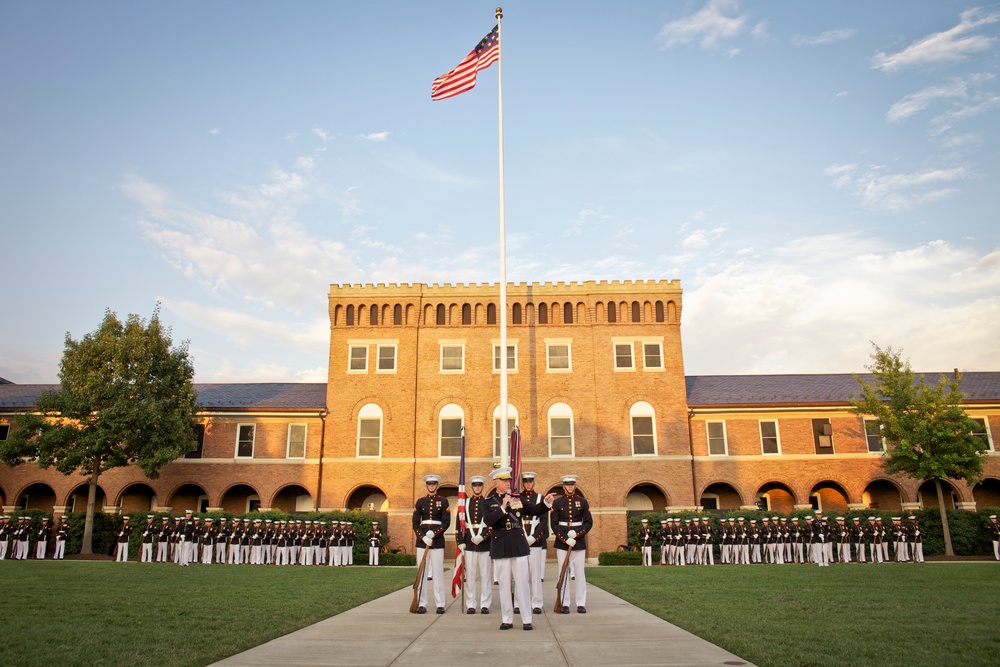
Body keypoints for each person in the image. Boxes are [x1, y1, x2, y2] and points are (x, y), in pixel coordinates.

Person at [482, 466, 554, 631]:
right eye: (504, 480)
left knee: (522, 582)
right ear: (495, 482)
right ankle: (507, 619)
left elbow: (533, 510)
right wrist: (502, 507)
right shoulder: (488, 502)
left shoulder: (517, 498)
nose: (508, 483)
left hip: (518, 543)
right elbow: (487, 521)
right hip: (500, 544)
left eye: (508, 480)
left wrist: (545, 503)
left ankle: (526, 619)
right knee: (504, 584)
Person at [550, 474, 593, 613]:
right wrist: (564, 538)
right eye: (567, 485)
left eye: (572, 484)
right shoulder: (557, 503)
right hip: (562, 541)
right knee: (563, 573)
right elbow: (554, 524)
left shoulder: (583, 502)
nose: (570, 487)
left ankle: (581, 603)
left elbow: (588, 522)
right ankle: (564, 602)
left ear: (575, 486)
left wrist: (578, 533)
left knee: (579, 572)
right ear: (563, 487)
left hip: (578, 541)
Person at [412, 473, 451, 614]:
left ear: (437, 486)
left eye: (434, 484)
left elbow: (446, 522)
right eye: (429, 484)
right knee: (422, 572)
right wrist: (423, 536)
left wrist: (434, 533)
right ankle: (422, 603)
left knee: (438, 572)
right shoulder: (420, 501)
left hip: (437, 540)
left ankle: (440, 603)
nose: (431, 486)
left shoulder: (443, 501)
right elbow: (415, 522)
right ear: (427, 486)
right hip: (422, 541)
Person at [462, 475, 494, 614]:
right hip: (469, 542)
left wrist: (483, 536)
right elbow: (460, 523)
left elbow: (492, 522)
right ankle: (470, 604)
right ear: (471, 487)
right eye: (475, 485)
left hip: (484, 543)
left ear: (483, 487)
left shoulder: (488, 502)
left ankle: (485, 604)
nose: (477, 488)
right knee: (470, 575)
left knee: (486, 575)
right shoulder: (465, 503)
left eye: (479, 485)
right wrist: (461, 542)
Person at [520, 472, 549, 613]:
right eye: (526, 482)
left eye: (530, 481)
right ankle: (519, 603)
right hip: (521, 540)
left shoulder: (540, 498)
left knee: (535, 574)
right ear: (523, 483)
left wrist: (534, 537)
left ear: (534, 483)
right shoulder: (517, 498)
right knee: (520, 575)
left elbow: (543, 522)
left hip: (535, 542)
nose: (528, 484)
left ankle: (537, 603)